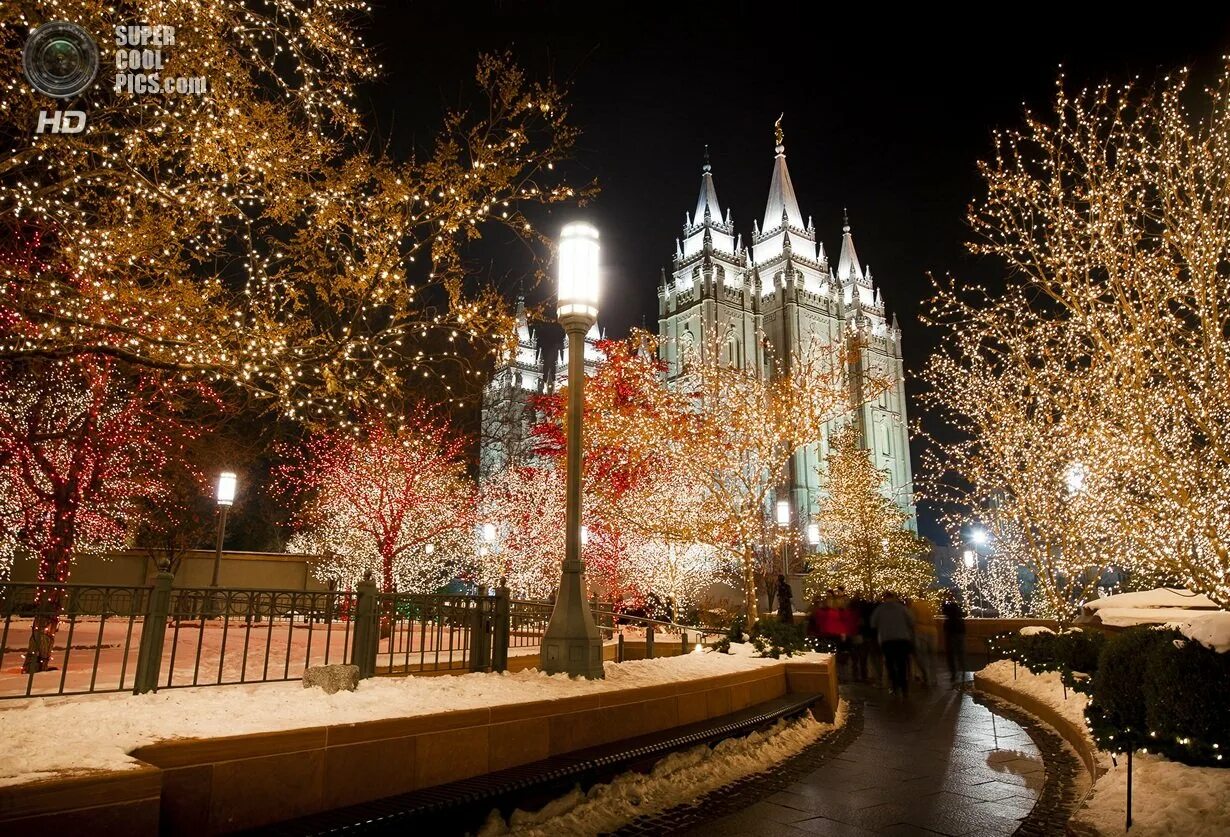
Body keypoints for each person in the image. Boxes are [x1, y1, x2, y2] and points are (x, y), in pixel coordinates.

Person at [871, 591, 916, 696]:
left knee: (890, 663)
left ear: (884, 598)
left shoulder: (880, 609)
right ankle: (904, 687)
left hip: (887, 640)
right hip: (902, 639)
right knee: (902, 664)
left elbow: (873, 624)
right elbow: (912, 621)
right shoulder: (902, 608)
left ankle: (895, 687)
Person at [941, 590, 968, 683]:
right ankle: (963, 670)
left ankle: (954, 673)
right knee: (960, 652)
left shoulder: (948, 607)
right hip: (960, 630)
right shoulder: (958, 606)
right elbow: (964, 614)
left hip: (951, 631)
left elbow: (944, 610)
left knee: (951, 654)